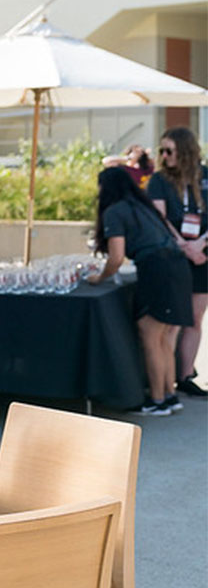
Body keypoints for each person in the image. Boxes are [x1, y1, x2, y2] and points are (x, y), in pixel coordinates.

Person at [89, 167, 194, 415]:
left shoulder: (115, 211)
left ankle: (157, 400)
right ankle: (169, 395)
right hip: (179, 268)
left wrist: (99, 277)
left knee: (150, 336)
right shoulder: (144, 207)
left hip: (157, 270)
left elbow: (115, 259)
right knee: (164, 337)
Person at [146, 126, 208, 398]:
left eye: (168, 150)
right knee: (174, 321)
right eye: (161, 150)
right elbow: (160, 218)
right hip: (174, 255)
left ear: (184, 151)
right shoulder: (159, 180)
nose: (164, 156)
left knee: (195, 318)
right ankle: (168, 377)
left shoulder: (205, 176)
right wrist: (184, 246)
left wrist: (200, 243)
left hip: (203, 254)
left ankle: (186, 375)